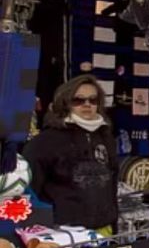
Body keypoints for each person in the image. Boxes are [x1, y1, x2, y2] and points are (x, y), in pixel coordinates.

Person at [23, 75, 118, 230]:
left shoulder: (106, 137)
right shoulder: (45, 141)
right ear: (66, 102)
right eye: (78, 100)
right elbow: (29, 190)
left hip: (104, 228)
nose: (87, 104)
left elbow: (112, 185)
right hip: (62, 231)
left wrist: (114, 221)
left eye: (93, 100)